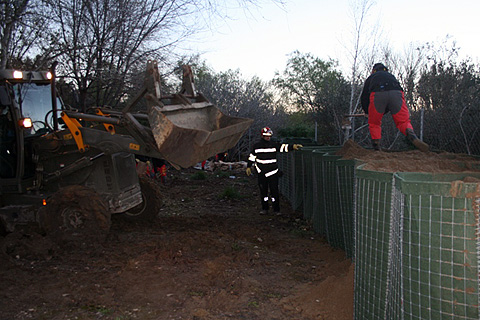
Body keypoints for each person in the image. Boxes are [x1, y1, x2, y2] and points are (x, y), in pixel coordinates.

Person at [360, 63, 429, 152]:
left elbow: (364, 96)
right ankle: (412, 135)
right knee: (403, 121)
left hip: (378, 93)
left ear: (373, 71)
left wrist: (367, 112)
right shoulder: (391, 76)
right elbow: (392, 98)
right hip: (397, 93)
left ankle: (376, 147)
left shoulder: (371, 77)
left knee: (374, 123)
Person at [246, 127, 302, 215]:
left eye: (269, 136)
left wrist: (292, 147)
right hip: (261, 172)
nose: (268, 137)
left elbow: (283, 147)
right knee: (263, 192)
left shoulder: (274, 144)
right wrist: (249, 166)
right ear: (262, 136)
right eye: (266, 136)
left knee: (274, 192)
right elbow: (252, 157)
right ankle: (265, 208)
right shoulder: (256, 146)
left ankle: (276, 210)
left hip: (272, 172)